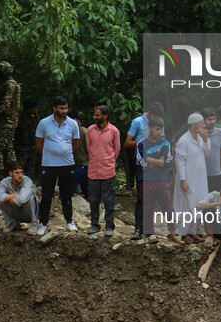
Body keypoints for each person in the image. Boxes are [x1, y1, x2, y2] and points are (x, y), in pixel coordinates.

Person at [35, 96, 80, 235]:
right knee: (47, 194)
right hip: (48, 165)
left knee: (66, 194)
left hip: (67, 164)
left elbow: (75, 144)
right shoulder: (44, 123)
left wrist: (63, 153)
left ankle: (69, 221)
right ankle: (43, 223)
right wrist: (51, 154)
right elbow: (39, 143)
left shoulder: (73, 124)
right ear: (54, 108)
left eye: (66, 108)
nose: (64, 111)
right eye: (61, 108)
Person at [124, 101, 165, 239]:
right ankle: (138, 229)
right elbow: (127, 142)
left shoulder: (159, 122)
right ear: (150, 113)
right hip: (142, 165)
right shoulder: (137, 122)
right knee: (142, 198)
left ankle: (149, 229)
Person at [136, 117, 176, 243]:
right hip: (146, 180)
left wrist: (151, 160)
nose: (159, 132)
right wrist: (160, 161)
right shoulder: (141, 144)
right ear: (150, 128)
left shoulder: (165, 143)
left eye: (161, 129)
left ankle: (172, 231)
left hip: (161, 179)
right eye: (157, 129)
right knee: (148, 208)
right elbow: (142, 163)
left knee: (168, 207)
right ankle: (150, 233)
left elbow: (169, 161)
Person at [173, 113, 210, 244]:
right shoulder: (184, 141)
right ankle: (184, 234)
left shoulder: (200, 138)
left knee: (198, 205)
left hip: (200, 179)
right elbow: (180, 161)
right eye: (202, 123)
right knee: (187, 207)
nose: (204, 125)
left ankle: (193, 232)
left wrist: (206, 140)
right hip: (188, 180)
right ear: (195, 125)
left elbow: (206, 153)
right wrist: (183, 180)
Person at [86, 105, 120, 236]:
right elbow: (90, 149)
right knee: (93, 200)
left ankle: (109, 226)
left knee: (108, 200)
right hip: (93, 171)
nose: (94, 117)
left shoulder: (114, 131)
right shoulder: (90, 130)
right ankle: (94, 225)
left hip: (107, 171)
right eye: (94, 114)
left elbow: (116, 151)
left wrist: (107, 161)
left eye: (97, 115)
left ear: (105, 116)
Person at [0, 61, 20, 177]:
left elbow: (5, 107)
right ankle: (16, 175)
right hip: (8, 122)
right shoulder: (7, 83)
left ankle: (0, 176)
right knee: (9, 150)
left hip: (7, 122)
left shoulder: (9, 85)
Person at [0, 161, 40, 234]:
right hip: (17, 211)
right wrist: (14, 195)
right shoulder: (5, 182)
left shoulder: (27, 181)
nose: (20, 175)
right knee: (1, 201)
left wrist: (7, 199)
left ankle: (34, 223)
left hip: (30, 212)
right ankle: (13, 223)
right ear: (10, 173)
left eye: (21, 172)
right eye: (17, 173)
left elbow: (22, 200)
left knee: (30, 198)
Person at [14, 99, 39, 176]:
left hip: (31, 146)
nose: (34, 110)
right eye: (33, 108)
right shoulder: (19, 117)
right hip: (22, 147)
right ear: (29, 108)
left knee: (30, 167)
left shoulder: (32, 117)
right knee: (20, 166)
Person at [70, 111, 89, 201]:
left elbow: (91, 150)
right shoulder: (70, 133)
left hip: (85, 163)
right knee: (86, 187)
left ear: (79, 122)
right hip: (76, 163)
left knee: (73, 181)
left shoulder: (85, 132)